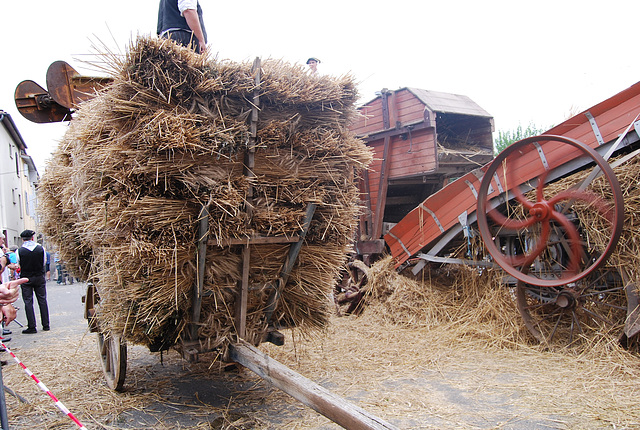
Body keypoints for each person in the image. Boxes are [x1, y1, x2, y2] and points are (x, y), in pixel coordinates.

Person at [16, 230, 50, 334]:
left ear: (23, 239)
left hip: (26, 277)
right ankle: (46, 325)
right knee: (42, 300)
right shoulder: (41, 249)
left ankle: (32, 326)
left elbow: (19, 264)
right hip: (39, 276)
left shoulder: (19, 251)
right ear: (32, 238)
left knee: (28, 301)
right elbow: (44, 262)